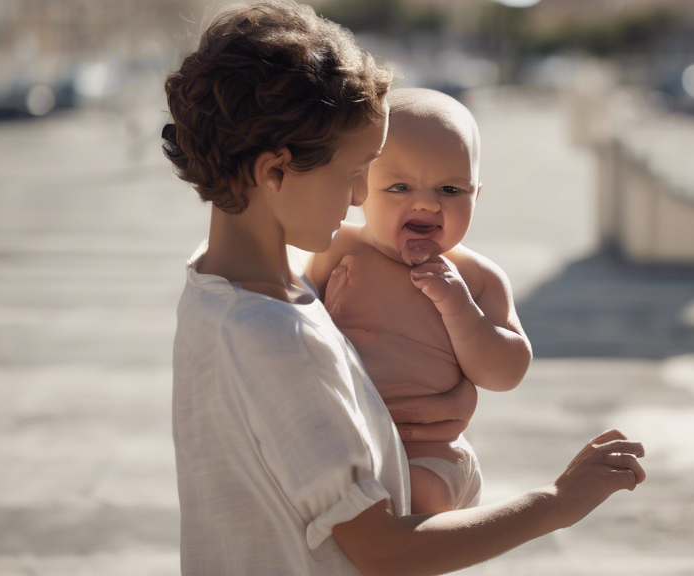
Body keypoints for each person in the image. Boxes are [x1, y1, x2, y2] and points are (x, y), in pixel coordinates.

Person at [166, 2, 646, 574]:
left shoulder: (217, 282)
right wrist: (558, 503)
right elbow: (386, 551)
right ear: (275, 172)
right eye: (353, 176)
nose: (358, 201)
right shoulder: (276, 339)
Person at [306, 88, 530, 515]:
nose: (427, 202)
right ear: (360, 190)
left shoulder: (475, 278)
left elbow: (507, 372)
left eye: (450, 188)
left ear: (476, 196)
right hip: (353, 445)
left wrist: (459, 308)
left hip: (431, 454)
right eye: (399, 186)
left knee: (418, 494)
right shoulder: (335, 250)